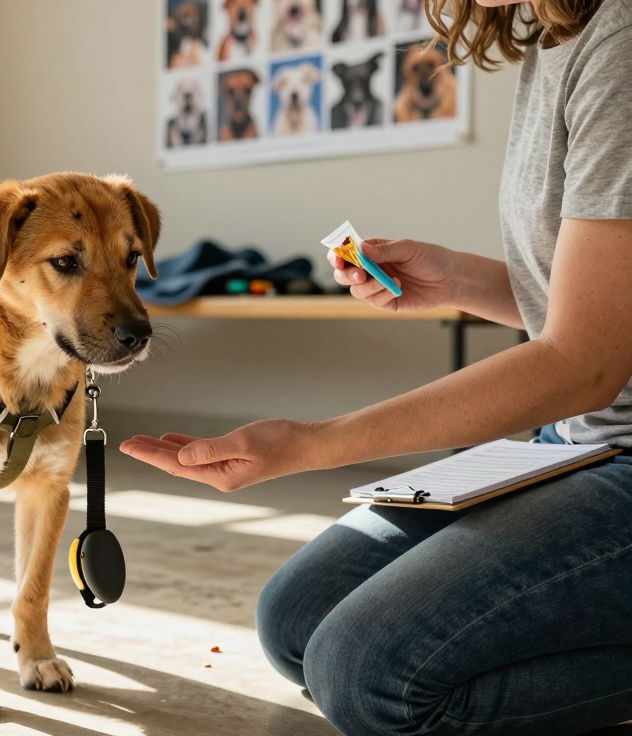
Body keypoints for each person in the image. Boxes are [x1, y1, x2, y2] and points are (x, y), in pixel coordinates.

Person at [119, 0, 632, 733]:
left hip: (616, 451)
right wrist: (454, 279)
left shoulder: (622, 42)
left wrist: (314, 443)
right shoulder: (555, 36)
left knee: (366, 677)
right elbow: (600, 311)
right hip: (578, 441)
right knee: (295, 623)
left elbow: (585, 363)